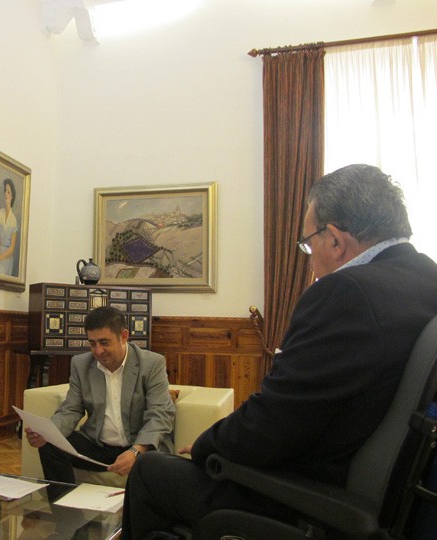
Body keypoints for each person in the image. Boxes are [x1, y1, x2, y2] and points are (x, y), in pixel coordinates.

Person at [121, 164, 437, 539]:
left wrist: (206, 445)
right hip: (382, 499)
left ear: (335, 241)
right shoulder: (426, 278)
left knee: (151, 471)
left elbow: (274, 425)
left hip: (314, 498)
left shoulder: (347, 293)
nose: (310, 259)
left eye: (308, 243)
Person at [25, 305, 175, 491]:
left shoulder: (151, 363)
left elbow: (160, 414)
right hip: (98, 444)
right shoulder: (81, 364)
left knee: (155, 463)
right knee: (50, 448)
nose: (98, 351)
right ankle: (67, 516)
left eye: (105, 342)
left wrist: (136, 451)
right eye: (92, 343)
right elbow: (71, 409)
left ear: (124, 336)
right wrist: (47, 434)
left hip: (140, 445)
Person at [0, 178, 18, 276]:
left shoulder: (13, 220)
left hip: (7, 257)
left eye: (8, 192)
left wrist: (1, 257)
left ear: (12, 196)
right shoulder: (0, 213)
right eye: (5, 191)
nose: (6, 194)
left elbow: (12, 248)